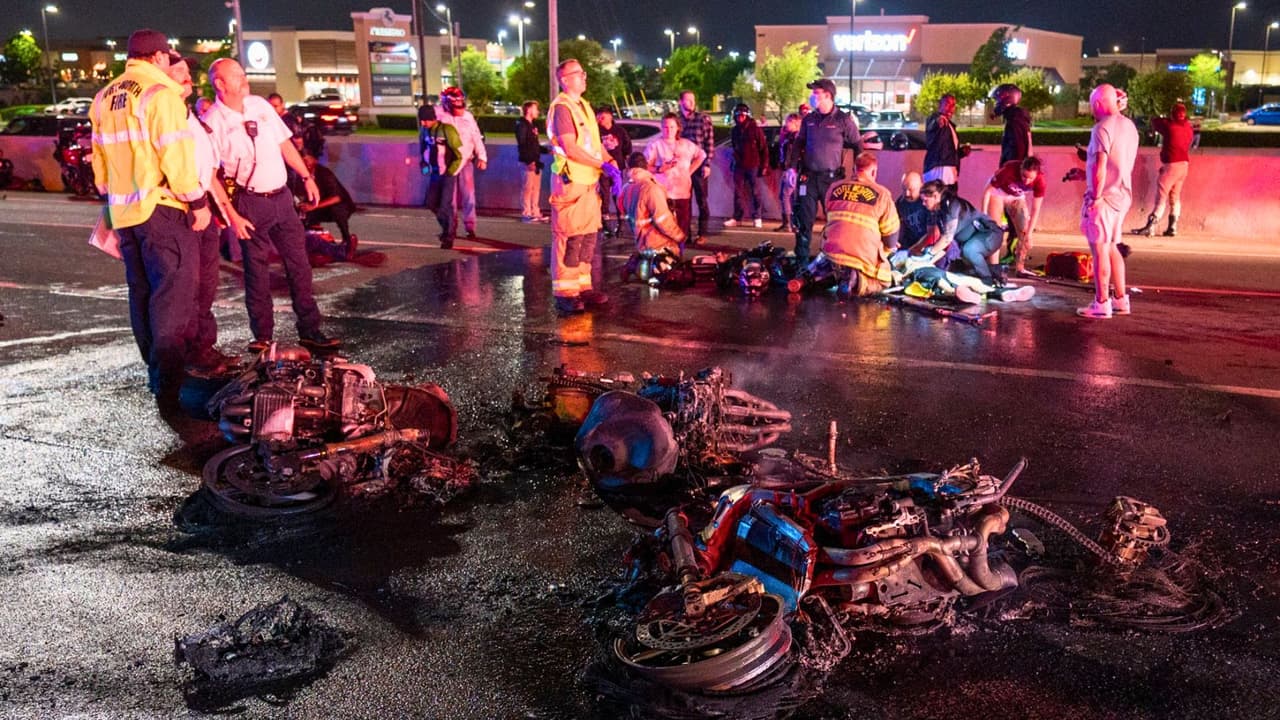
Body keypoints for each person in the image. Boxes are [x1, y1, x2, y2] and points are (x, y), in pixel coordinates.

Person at [89, 29, 209, 409]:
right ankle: (169, 383)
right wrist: (198, 201)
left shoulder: (104, 97)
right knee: (172, 296)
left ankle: (156, 372)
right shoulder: (161, 96)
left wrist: (116, 194)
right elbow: (176, 158)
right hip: (164, 209)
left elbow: (100, 166)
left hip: (125, 213)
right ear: (158, 57)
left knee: (141, 294)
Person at [204, 57, 339, 352]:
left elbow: (284, 144)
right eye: (237, 75)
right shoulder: (213, 123)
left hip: (281, 198)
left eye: (242, 73)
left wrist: (306, 177)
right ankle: (263, 336)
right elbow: (211, 176)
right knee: (257, 271)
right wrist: (232, 215)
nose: (244, 78)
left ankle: (310, 329)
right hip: (249, 204)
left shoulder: (260, 107)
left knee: (299, 266)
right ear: (220, 84)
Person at [169, 56, 245, 376]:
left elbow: (208, 171)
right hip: (183, 211)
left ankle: (203, 348)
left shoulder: (189, 115)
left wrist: (224, 208)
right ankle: (184, 357)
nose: (189, 77)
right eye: (180, 72)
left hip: (205, 210)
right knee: (188, 287)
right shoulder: (166, 114)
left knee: (207, 285)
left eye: (188, 72)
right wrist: (197, 203)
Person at [547, 58, 620, 315]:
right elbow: (570, 148)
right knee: (570, 238)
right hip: (571, 183)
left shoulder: (584, 106)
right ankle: (565, 293)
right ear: (565, 80)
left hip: (587, 183)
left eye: (583, 73)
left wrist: (610, 161)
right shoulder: (563, 108)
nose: (584, 77)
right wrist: (602, 165)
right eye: (579, 74)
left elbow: (593, 143)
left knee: (588, 236)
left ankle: (582, 286)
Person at [786, 78, 865, 267]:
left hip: (831, 180)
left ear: (827, 95)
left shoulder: (843, 120)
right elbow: (798, 143)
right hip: (808, 177)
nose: (812, 97)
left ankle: (833, 263)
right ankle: (801, 264)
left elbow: (857, 144)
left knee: (834, 223)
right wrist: (791, 167)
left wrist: (859, 170)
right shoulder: (809, 120)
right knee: (804, 221)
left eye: (816, 93)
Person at [801, 152, 900, 299]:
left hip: (832, 254)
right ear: (874, 171)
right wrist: (889, 247)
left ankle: (812, 280)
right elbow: (891, 240)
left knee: (830, 268)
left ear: (854, 169)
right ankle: (858, 283)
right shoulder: (882, 195)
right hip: (861, 259)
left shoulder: (834, 188)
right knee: (884, 280)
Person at [1078, 83, 1139, 319]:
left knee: (1100, 249)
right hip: (1122, 195)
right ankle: (1121, 299)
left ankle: (1101, 302)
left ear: (1098, 104)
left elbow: (1101, 167)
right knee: (1112, 246)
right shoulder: (1130, 126)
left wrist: (1095, 196)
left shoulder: (1102, 128)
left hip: (1104, 197)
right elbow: (1118, 162)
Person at [913, 180, 1005, 285]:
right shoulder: (938, 211)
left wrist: (929, 254)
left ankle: (987, 280)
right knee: (962, 263)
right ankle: (995, 273)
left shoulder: (951, 205)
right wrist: (927, 258)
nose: (923, 204)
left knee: (969, 250)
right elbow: (944, 243)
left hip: (990, 234)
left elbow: (947, 238)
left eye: (925, 200)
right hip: (974, 239)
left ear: (935, 196)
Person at [618, 152, 686, 280]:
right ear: (646, 166)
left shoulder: (626, 188)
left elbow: (624, 212)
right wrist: (679, 236)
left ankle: (636, 264)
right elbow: (662, 219)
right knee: (678, 270)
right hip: (658, 243)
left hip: (640, 241)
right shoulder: (651, 188)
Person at [1132, 102, 1193, 237]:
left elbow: (1155, 121)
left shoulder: (1170, 126)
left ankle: (1151, 226)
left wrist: (1165, 116)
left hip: (1171, 165)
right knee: (1175, 196)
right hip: (1184, 165)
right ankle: (1172, 227)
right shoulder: (1188, 128)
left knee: (1161, 196)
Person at [645, 113, 707, 243]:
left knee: (682, 226)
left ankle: (679, 254)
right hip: (663, 193)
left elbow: (701, 155)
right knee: (665, 227)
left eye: (672, 127)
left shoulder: (686, 144)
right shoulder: (655, 145)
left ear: (678, 127)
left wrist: (689, 171)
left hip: (682, 192)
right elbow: (645, 166)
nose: (669, 130)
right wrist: (659, 169)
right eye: (665, 127)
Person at [436, 86, 487, 239]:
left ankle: (470, 227)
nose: (459, 108)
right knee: (449, 198)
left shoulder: (468, 117)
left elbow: (476, 137)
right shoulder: (440, 116)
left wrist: (482, 157)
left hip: (466, 162)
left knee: (469, 196)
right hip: (448, 162)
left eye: (461, 104)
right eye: (455, 104)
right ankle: (450, 227)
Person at [982, 156, 1046, 275]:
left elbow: (1036, 209)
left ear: (1037, 175)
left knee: (1024, 232)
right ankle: (993, 267)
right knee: (995, 231)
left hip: (1016, 196)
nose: (1026, 181)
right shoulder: (1008, 171)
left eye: (1030, 178)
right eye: (1023, 176)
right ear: (1020, 169)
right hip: (998, 192)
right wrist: (984, 215)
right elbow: (987, 192)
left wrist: (1029, 233)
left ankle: (1020, 268)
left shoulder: (1040, 181)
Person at [290, 151, 357, 249]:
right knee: (299, 211)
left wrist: (313, 206)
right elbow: (296, 194)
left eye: (308, 160)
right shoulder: (299, 175)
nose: (306, 164)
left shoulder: (325, 173)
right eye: (303, 161)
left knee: (337, 209)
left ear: (315, 161)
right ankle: (308, 237)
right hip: (315, 206)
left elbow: (337, 197)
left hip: (334, 206)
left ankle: (347, 240)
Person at [420, 103, 464, 248]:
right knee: (431, 203)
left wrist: (451, 171)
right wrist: (424, 165)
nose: (422, 123)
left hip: (447, 174)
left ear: (432, 118)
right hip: (434, 173)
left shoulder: (447, 130)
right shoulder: (425, 131)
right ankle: (447, 228)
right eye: (421, 120)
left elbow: (459, 154)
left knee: (445, 204)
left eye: (425, 120)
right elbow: (423, 151)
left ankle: (449, 235)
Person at [675, 90, 714, 243]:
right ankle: (686, 233)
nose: (691, 103)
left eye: (693, 100)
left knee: (702, 200)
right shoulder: (676, 120)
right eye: (688, 100)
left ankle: (702, 233)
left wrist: (707, 164)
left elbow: (709, 143)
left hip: (699, 166)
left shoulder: (703, 119)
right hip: (681, 168)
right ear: (680, 102)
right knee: (684, 201)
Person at [725, 103, 768, 229]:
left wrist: (764, 165)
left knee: (755, 192)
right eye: (738, 116)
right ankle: (737, 217)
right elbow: (734, 147)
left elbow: (763, 148)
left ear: (747, 116)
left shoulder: (755, 129)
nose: (740, 118)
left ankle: (757, 217)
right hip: (739, 165)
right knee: (738, 192)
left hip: (753, 164)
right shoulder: (735, 131)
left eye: (742, 115)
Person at [596, 105, 632, 235]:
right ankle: (605, 222)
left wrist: (627, 163)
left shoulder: (619, 131)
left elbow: (627, 147)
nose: (600, 120)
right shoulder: (596, 132)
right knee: (604, 195)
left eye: (603, 117)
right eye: (598, 117)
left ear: (610, 116)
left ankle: (621, 222)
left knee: (618, 194)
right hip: (603, 168)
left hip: (617, 168)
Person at [922, 94, 969, 193]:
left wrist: (961, 152)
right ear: (940, 104)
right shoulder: (935, 119)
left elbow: (948, 151)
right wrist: (937, 120)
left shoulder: (950, 125)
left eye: (953, 105)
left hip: (950, 175)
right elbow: (933, 123)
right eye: (948, 104)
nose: (951, 108)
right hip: (938, 174)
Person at [515, 100, 548, 223]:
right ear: (529, 110)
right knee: (527, 188)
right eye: (535, 109)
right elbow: (523, 145)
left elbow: (534, 145)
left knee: (535, 188)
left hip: (536, 161)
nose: (538, 111)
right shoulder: (522, 125)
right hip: (527, 162)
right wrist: (529, 161)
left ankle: (535, 211)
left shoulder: (532, 126)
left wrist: (547, 151)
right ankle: (526, 212)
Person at [992, 83, 1032, 165]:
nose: (996, 104)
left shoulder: (1015, 120)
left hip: (1013, 170)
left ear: (1007, 100)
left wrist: (1006, 170)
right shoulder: (1015, 117)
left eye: (998, 100)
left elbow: (1017, 151)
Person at [774, 113, 801, 232]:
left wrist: (791, 169)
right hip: (789, 169)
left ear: (795, 123)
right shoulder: (789, 137)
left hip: (791, 170)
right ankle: (790, 223)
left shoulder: (795, 138)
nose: (786, 124)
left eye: (788, 122)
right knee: (787, 196)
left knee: (786, 195)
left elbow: (793, 155)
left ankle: (788, 223)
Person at [894, 171, 931, 251]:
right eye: (904, 189)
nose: (907, 194)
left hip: (930, 244)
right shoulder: (900, 203)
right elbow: (895, 223)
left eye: (911, 190)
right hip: (911, 243)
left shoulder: (928, 200)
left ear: (921, 186)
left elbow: (933, 233)